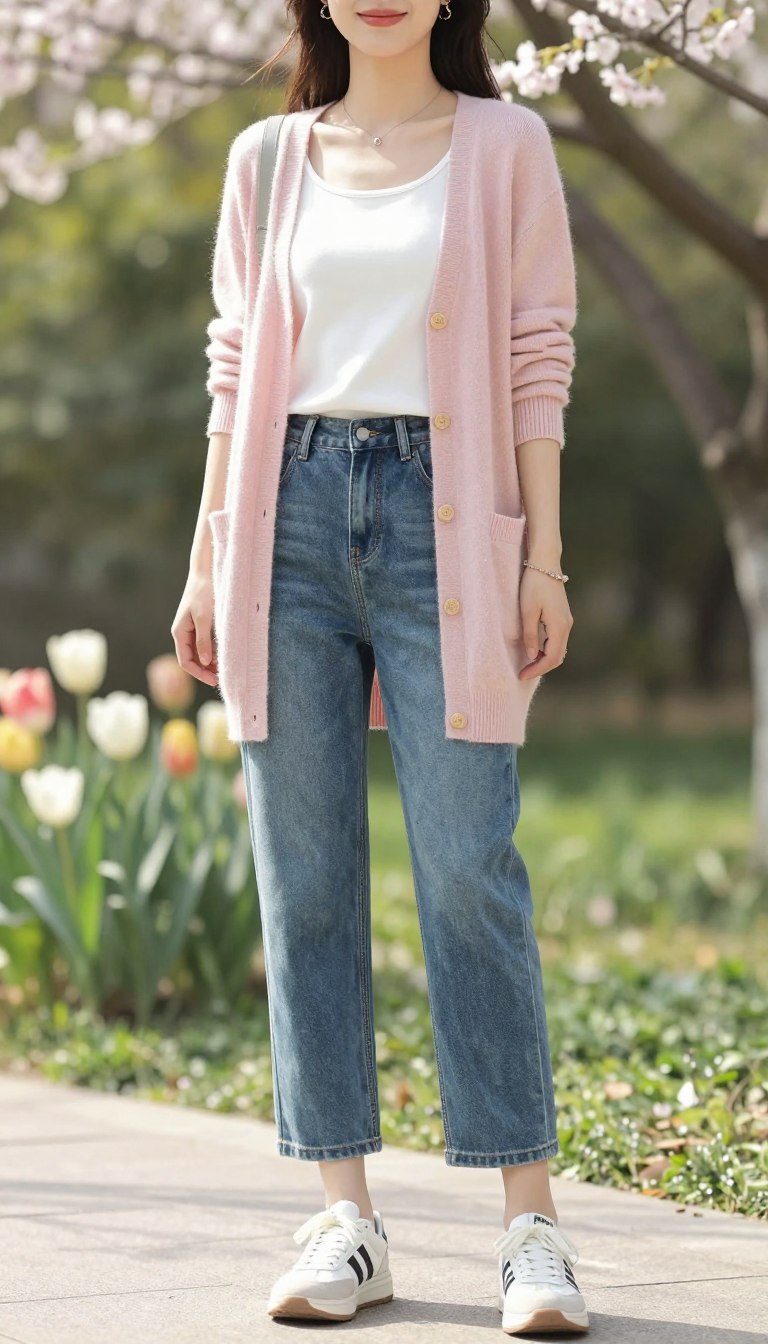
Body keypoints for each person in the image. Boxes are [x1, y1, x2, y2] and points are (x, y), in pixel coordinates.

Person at [173, 0, 588, 1335]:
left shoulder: (508, 145)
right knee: (301, 877)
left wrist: (544, 557)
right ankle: (346, 1217)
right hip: (281, 520)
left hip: (446, 521)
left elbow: (536, 357)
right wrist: (205, 556)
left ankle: (531, 1232)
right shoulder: (265, 159)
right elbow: (234, 372)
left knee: (470, 867)